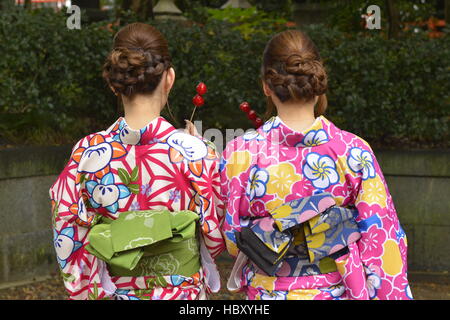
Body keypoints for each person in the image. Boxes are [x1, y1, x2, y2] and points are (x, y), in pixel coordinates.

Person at [220, 29, 412, 300]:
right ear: (318, 81)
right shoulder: (353, 151)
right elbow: (382, 239)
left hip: (268, 291)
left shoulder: (240, 152)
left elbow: (231, 238)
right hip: (335, 289)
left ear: (266, 85)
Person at [49, 22, 224, 300]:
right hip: (182, 295)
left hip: (115, 292)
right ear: (170, 78)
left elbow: (68, 237)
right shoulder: (199, 153)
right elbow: (218, 238)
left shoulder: (86, 153)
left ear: (112, 83)